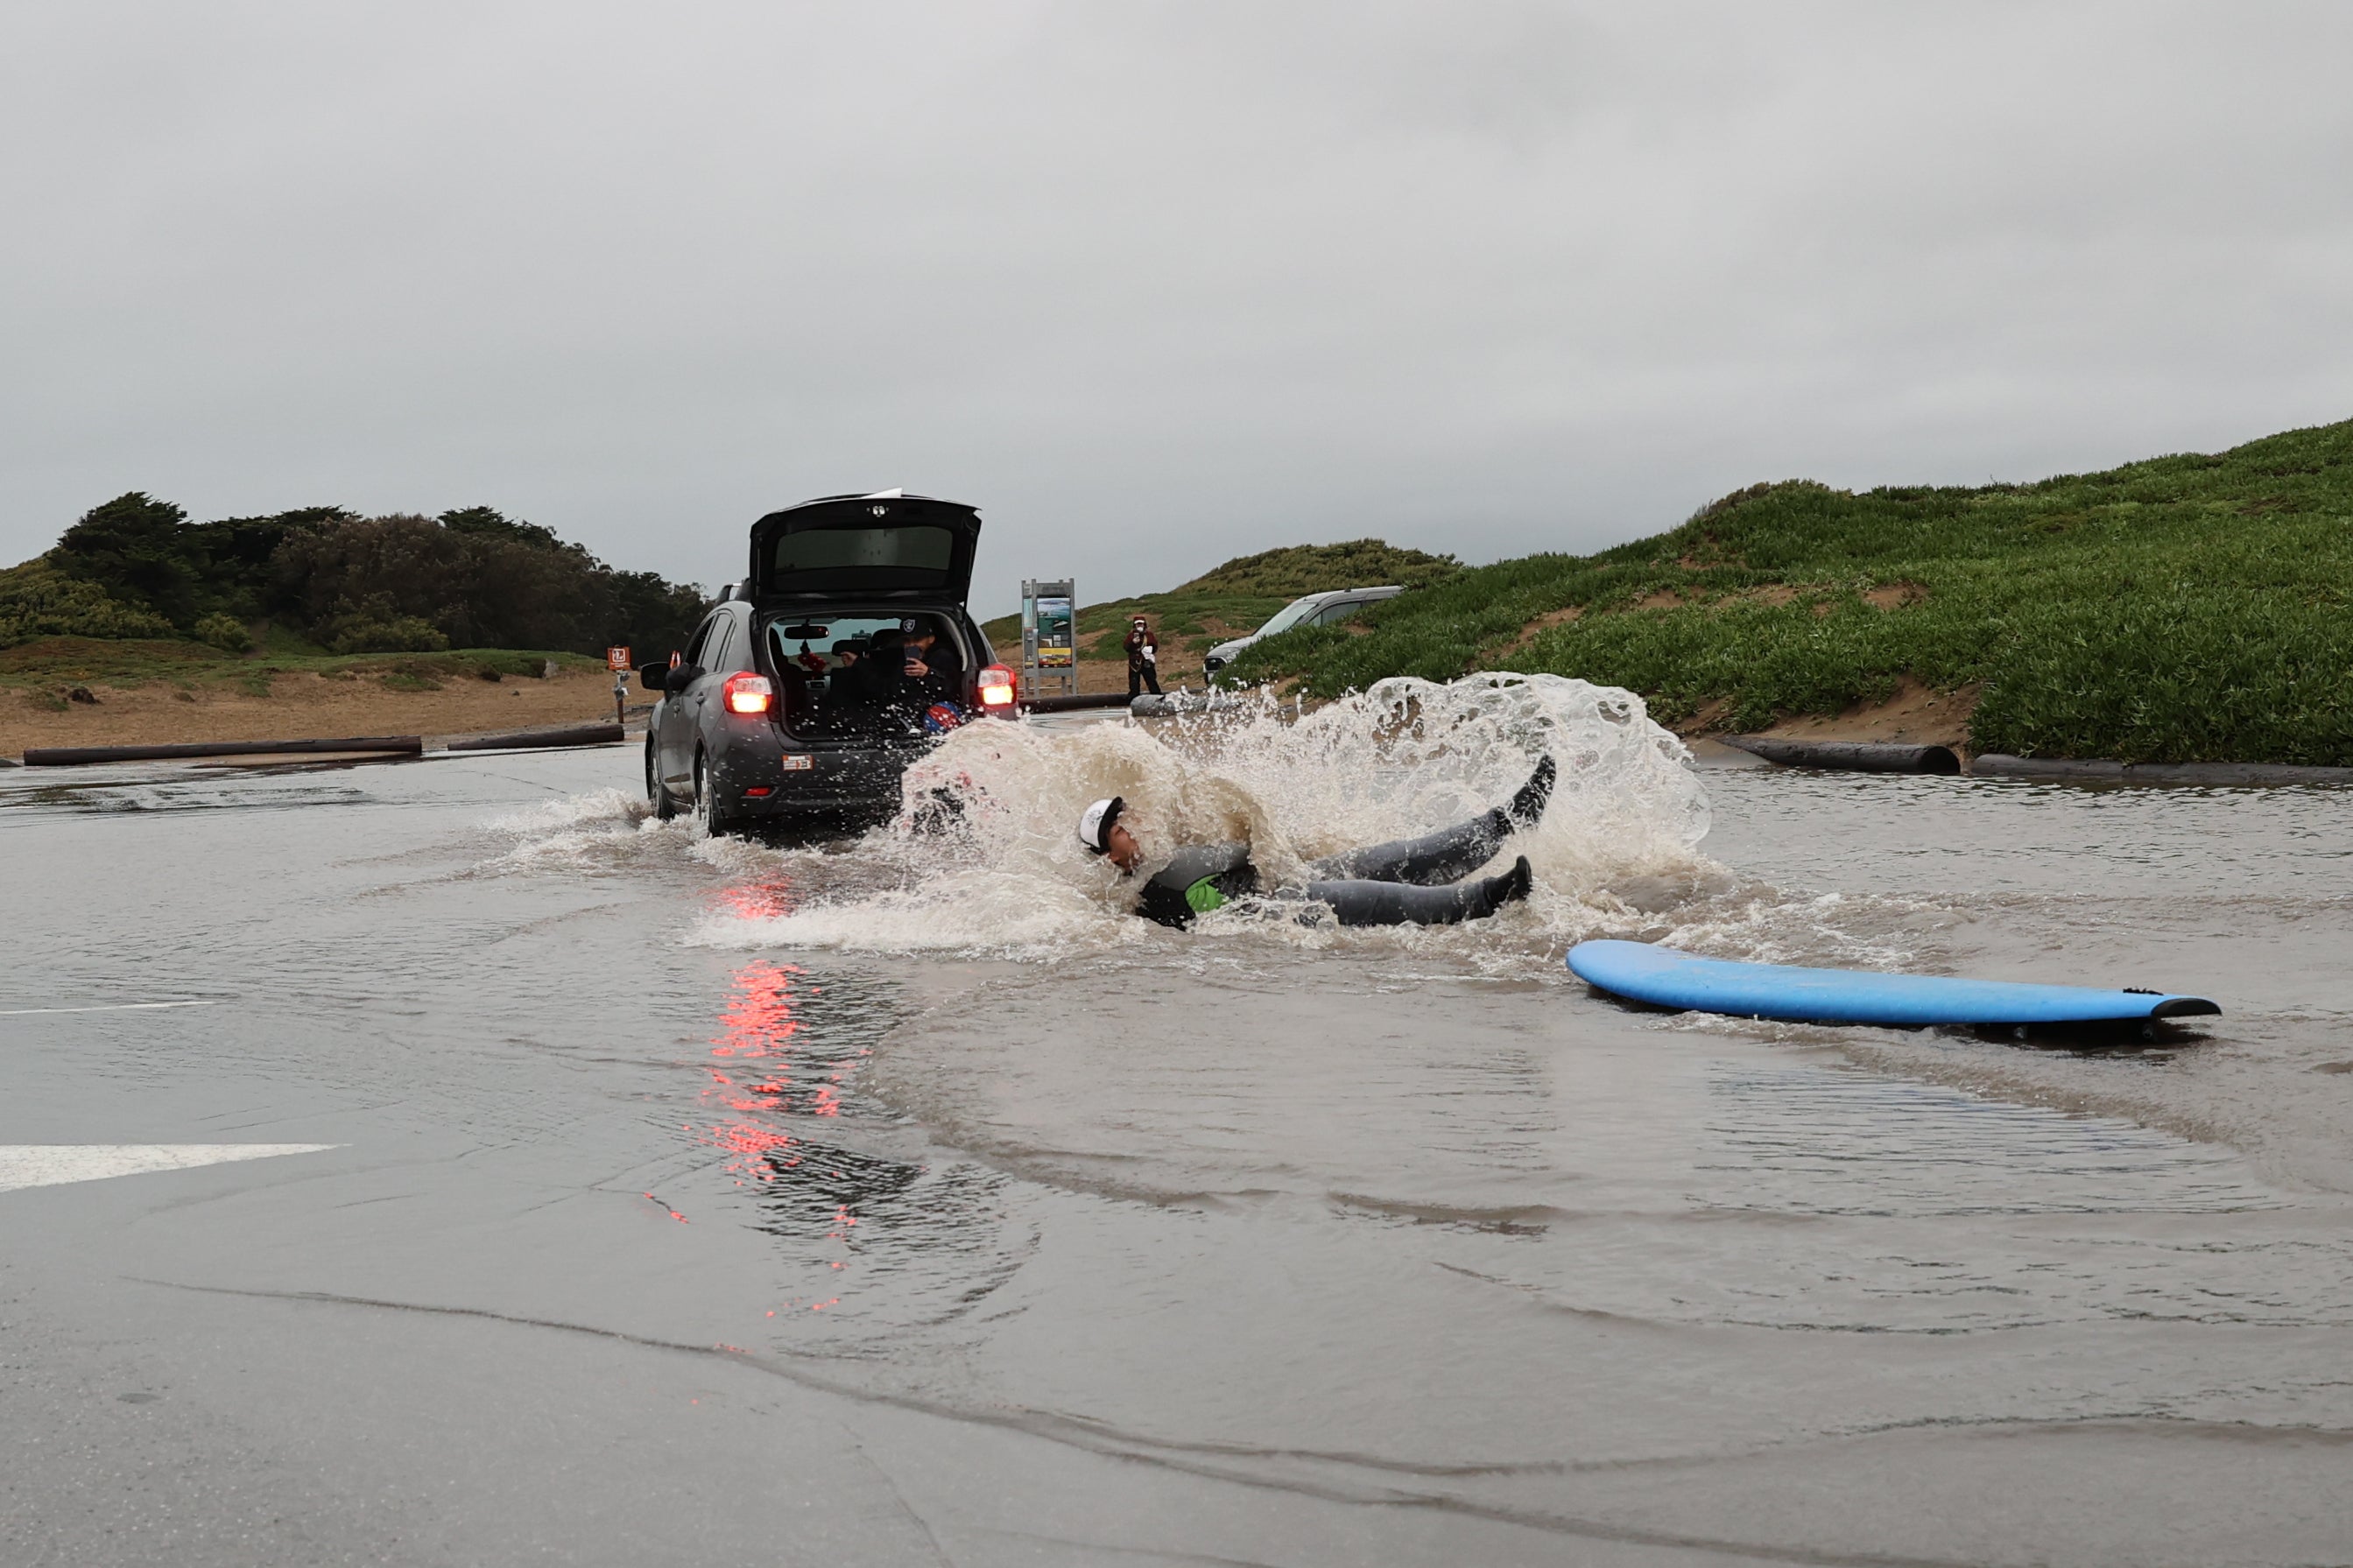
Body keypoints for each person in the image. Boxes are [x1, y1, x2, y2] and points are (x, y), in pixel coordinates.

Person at [1078, 756, 1553, 928]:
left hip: (1288, 878)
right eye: (1120, 830)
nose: (1132, 826)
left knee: (1395, 856)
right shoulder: (1149, 893)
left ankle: (1507, 820)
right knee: (1379, 898)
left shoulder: (1167, 847)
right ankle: (1493, 896)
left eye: (1126, 818)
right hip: (1276, 907)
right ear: (1107, 857)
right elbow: (1216, 914)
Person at [1124, 616, 1161, 698]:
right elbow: (1126, 647)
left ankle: (1157, 697)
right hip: (1135, 662)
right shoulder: (1131, 636)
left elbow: (1155, 646)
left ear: (1144, 624)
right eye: (1137, 624)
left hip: (1147, 661)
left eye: (1141, 623)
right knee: (1134, 683)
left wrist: (1150, 649)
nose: (1139, 625)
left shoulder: (1149, 635)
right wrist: (1133, 642)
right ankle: (1133, 698)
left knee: (1151, 681)